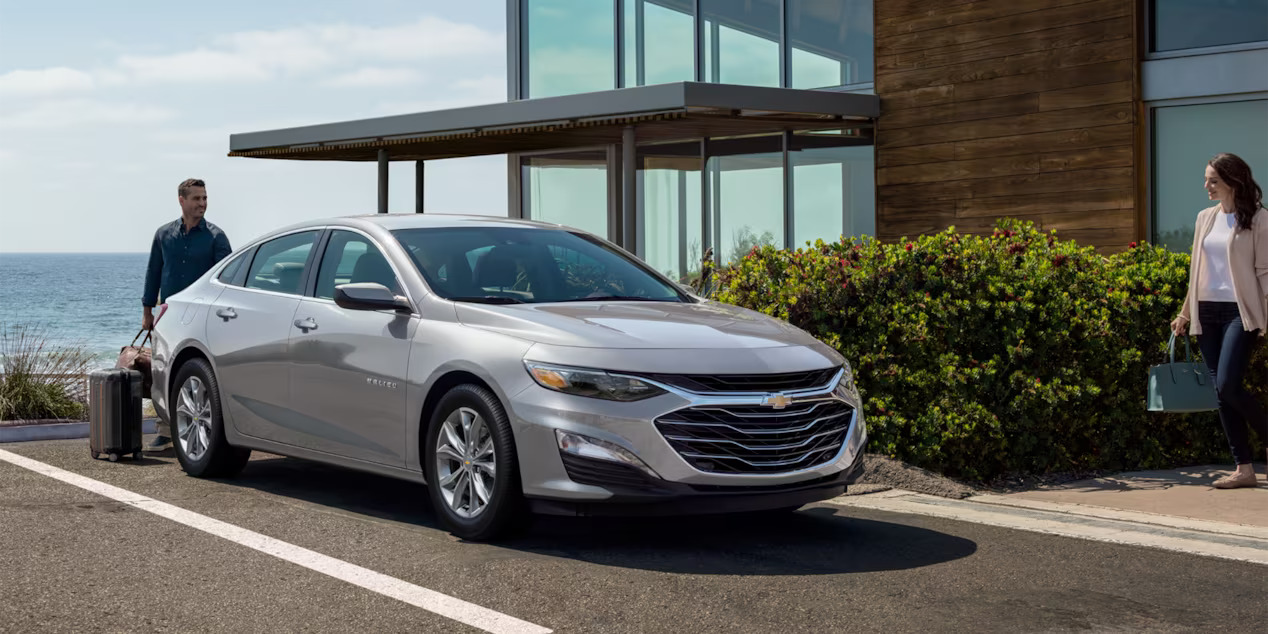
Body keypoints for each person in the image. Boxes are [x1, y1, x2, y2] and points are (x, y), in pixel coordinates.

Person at [1170, 153, 1268, 489]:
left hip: (1240, 313)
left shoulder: (1259, 219)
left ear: (1232, 181)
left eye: (1213, 180)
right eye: (1206, 179)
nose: (1206, 186)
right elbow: (1196, 272)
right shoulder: (1204, 219)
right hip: (1206, 312)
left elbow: (1265, 274)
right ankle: (1244, 468)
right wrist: (1185, 312)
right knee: (1221, 392)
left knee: (1228, 384)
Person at [141, 178, 232, 450]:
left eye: (204, 198)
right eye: (196, 198)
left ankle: (203, 427)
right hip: (168, 316)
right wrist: (147, 312)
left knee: (196, 372)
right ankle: (166, 430)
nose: (202, 203)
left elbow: (228, 281)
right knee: (162, 373)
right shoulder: (163, 234)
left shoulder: (217, 237)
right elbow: (153, 272)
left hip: (202, 317)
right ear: (182, 200)